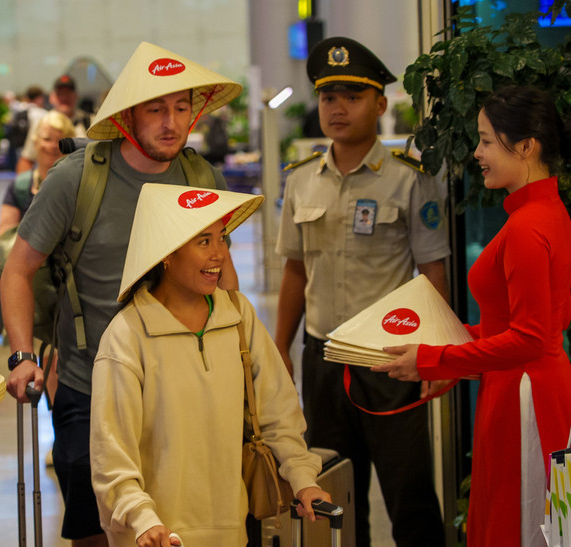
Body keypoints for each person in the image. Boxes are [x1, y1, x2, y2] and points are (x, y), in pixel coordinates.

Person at [2, 41, 242, 546]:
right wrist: (23, 356)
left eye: (181, 108)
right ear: (127, 116)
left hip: (183, 388)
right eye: (156, 109)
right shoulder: (75, 180)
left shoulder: (201, 179)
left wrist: (242, 356)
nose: (171, 123)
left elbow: (223, 275)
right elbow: (19, 269)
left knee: (176, 524)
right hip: (89, 387)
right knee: (96, 530)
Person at [373, 85, 571, 547]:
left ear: (526, 146)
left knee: (518, 525)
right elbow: (526, 328)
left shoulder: (527, 226)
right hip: (529, 384)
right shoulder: (547, 211)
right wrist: (441, 348)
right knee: (539, 520)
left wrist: (433, 360)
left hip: (522, 393)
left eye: (485, 140)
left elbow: (528, 337)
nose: (477, 153)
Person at [274, 37, 449, 546]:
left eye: (352, 96)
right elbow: (293, 270)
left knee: (409, 492)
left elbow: (431, 272)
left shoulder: (408, 181)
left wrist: (438, 355)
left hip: (389, 360)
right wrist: (282, 347)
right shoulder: (302, 181)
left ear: (380, 104)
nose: (337, 108)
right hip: (323, 358)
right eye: (328, 97)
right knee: (334, 495)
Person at [90, 183, 330, 546]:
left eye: (222, 238)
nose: (219, 253)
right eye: (203, 241)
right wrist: (141, 518)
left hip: (232, 531)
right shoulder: (127, 336)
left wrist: (303, 478)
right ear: (165, 253)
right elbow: (111, 454)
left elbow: (278, 413)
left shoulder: (238, 316)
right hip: (156, 537)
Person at [0, 110, 77, 238]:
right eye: (46, 139)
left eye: (61, 140)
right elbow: (3, 235)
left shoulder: (81, 187)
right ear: (35, 142)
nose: (53, 146)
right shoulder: (20, 187)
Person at [17, 75, 87, 174]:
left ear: (76, 96)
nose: (64, 97)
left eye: (68, 93)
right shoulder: (41, 124)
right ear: (52, 97)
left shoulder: (89, 122)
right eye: (60, 94)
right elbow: (27, 159)